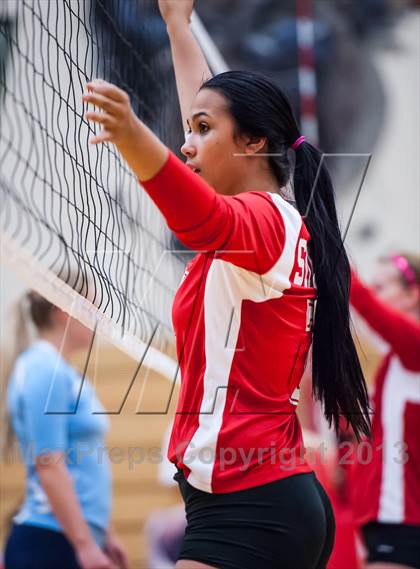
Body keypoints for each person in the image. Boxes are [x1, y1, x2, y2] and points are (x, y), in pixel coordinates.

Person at [82, 1, 371, 567]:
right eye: (188, 130)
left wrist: (135, 138)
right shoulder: (270, 218)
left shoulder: (264, 222)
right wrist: (177, 27)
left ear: (254, 144)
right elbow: (206, 121)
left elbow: (198, 217)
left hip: (253, 505)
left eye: (202, 130)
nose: (187, 142)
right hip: (253, 498)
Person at [3, 291, 128, 569]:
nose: (97, 318)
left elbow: (81, 461)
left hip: (71, 537)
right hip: (50, 541)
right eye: (91, 308)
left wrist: (105, 533)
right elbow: (49, 463)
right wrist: (84, 545)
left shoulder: (63, 370)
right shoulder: (44, 368)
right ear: (63, 310)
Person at [349, 254, 420, 569]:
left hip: (403, 520)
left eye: (382, 285)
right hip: (384, 520)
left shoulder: (414, 348)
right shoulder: (395, 360)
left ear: (412, 294)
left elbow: (362, 301)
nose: (373, 292)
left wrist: (323, 240)